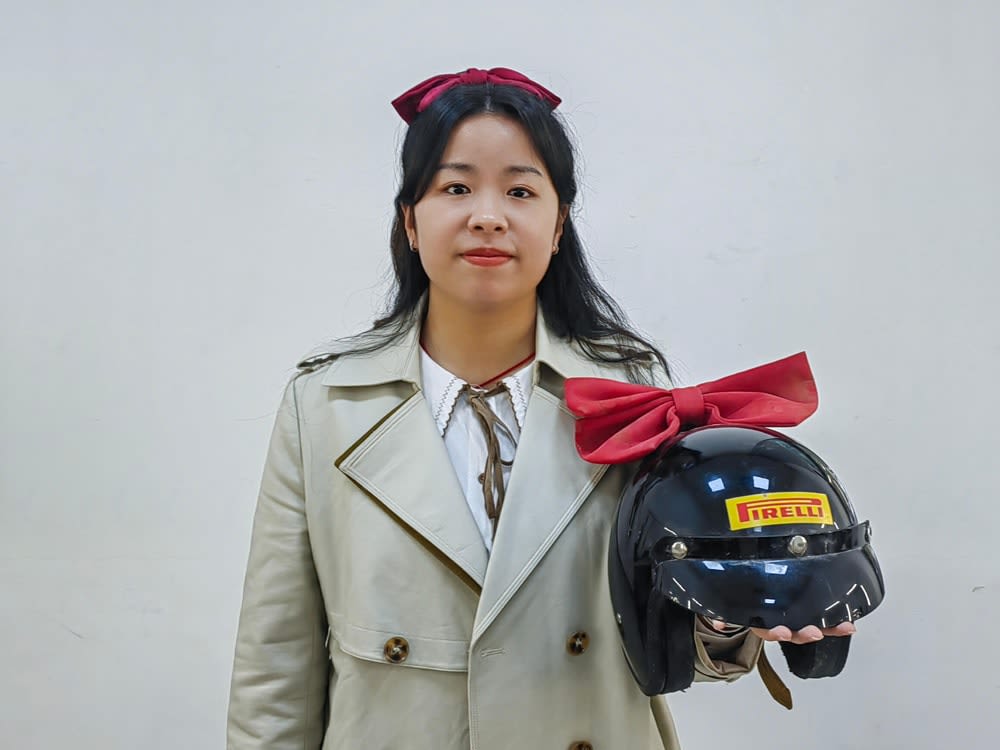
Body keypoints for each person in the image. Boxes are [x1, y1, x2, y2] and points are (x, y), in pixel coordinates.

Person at [226, 67, 854, 750]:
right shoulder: (322, 406)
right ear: (410, 220)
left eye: (521, 190)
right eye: (456, 187)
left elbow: (668, 641)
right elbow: (274, 669)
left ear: (558, 226)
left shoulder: (634, 395)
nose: (488, 215)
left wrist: (734, 614)